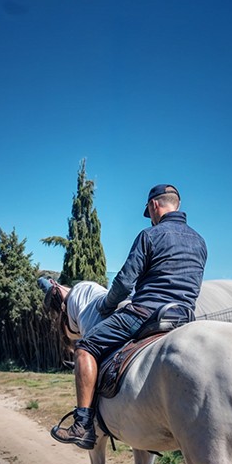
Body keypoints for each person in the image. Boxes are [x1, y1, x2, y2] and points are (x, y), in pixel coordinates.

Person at [48, 183, 207, 450]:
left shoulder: (150, 236)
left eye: (150, 211)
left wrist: (106, 307)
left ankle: (83, 424)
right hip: (183, 316)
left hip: (146, 313)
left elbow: (123, 283)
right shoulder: (200, 242)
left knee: (85, 348)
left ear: (154, 205)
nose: (151, 217)